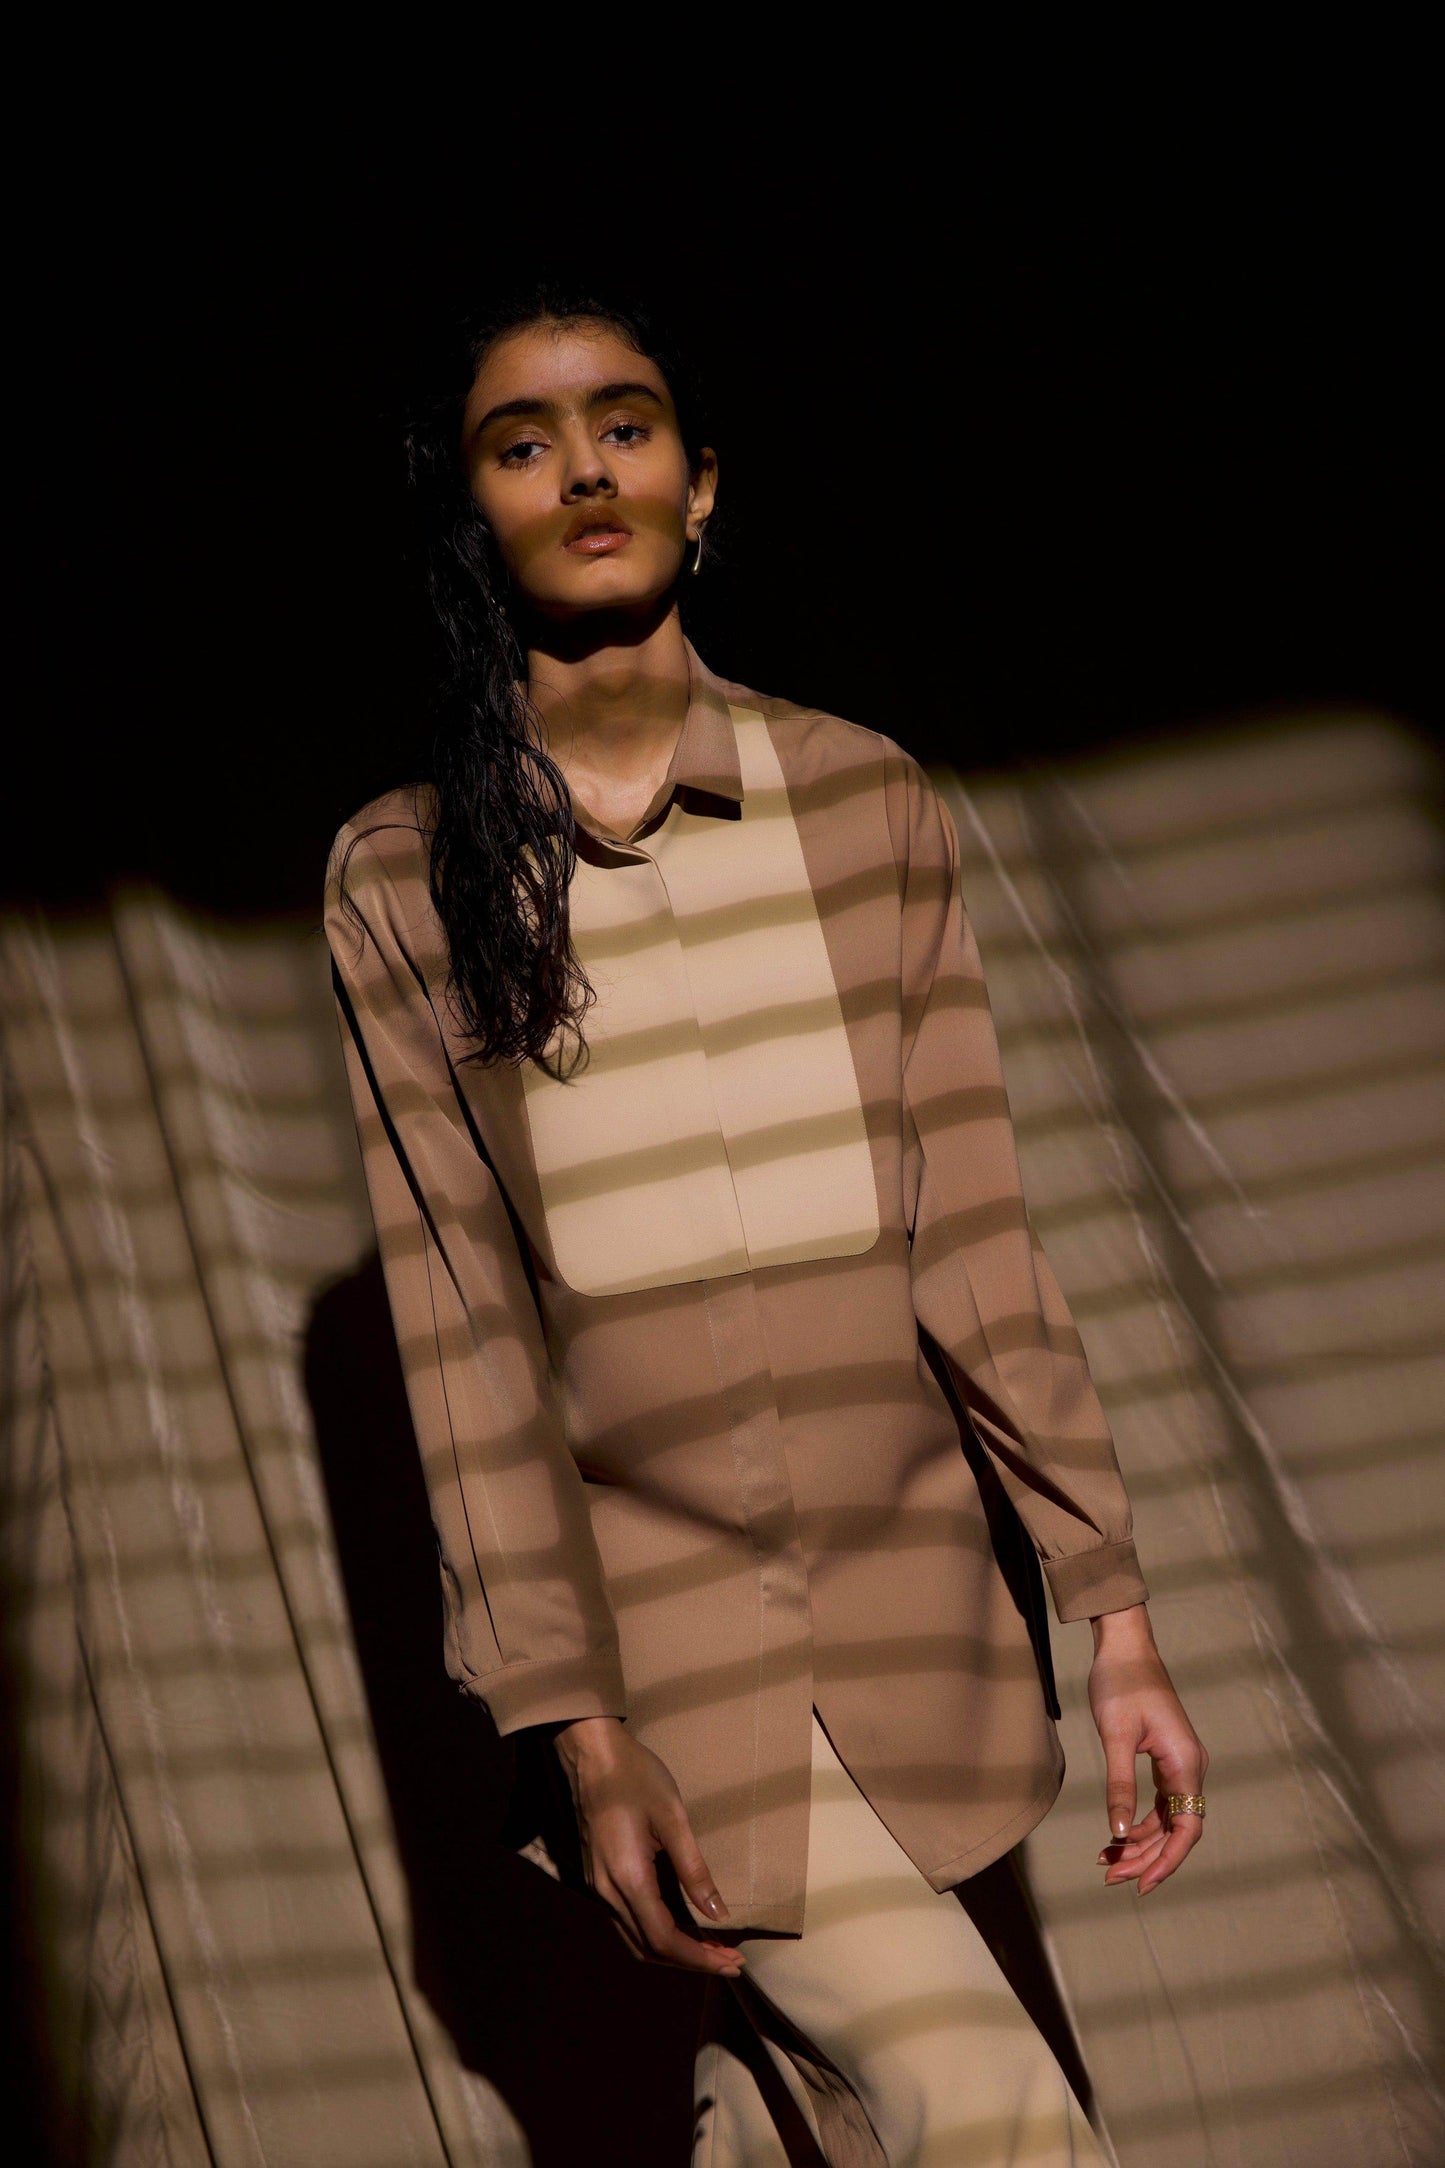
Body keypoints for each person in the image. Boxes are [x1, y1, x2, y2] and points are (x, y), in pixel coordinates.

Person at [325, 285, 1209, 2166]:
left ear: (701, 482)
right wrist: (575, 1729)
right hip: (667, 1661)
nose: (584, 470)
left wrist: (1112, 1609)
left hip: (919, 1617)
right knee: (995, 2114)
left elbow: (971, 1236)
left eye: (624, 425)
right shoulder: (405, 874)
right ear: (472, 512)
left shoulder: (863, 800)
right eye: (522, 443)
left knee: (794, 2117)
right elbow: (464, 1335)